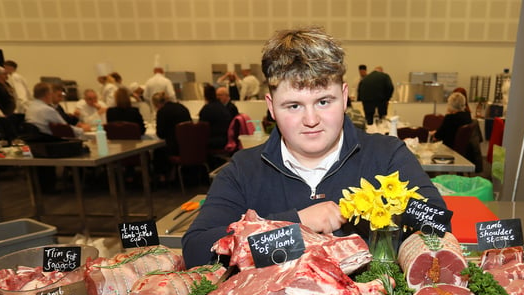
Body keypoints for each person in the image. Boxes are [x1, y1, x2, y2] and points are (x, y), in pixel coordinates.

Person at [182, 26, 445, 267]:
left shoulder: (388, 155)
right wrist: (295, 224)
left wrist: (381, 210)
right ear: (271, 106)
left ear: (344, 98)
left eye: (323, 102)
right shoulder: (244, 170)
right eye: (293, 106)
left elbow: (439, 225)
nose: (311, 120)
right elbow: (196, 249)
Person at [152, 91, 191, 184]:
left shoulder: (162, 112)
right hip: (189, 145)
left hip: (175, 148)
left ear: (157, 104)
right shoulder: (182, 107)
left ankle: (163, 178)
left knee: (157, 150)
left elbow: (160, 134)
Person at [198, 83, 232, 149]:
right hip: (225, 139)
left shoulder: (207, 109)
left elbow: (201, 128)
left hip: (214, 141)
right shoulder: (222, 107)